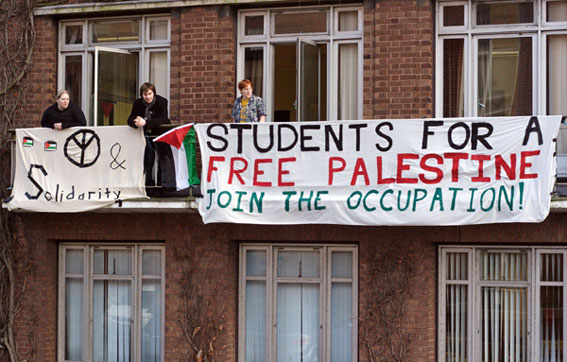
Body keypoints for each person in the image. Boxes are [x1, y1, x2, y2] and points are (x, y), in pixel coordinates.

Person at [127, 82, 175, 193]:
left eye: (149, 94)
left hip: (160, 135)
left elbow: (164, 119)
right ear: (141, 95)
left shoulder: (162, 102)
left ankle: (164, 188)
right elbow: (129, 119)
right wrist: (137, 122)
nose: (148, 97)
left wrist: (146, 122)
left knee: (163, 161)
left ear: (154, 93)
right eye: (145, 95)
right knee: (148, 162)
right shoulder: (138, 103)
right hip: (146, 137)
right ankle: (148, 188)